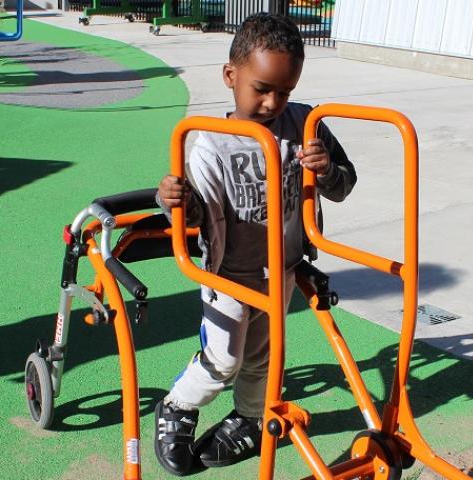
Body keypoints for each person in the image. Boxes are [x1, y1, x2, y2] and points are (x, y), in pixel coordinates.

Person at [154, 12, 356, 476]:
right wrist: (174, 200)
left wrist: (325, 169)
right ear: (231, 76)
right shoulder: (209, 142)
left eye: (284, 91)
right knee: (224, 357)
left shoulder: (305, 125)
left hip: (280, 268)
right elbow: (197, 217)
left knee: (264, 357)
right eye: (261, 88)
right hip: (229, 273)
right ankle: (178, 406)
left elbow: (344, 185)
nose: (272, 102)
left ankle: (247, 417)